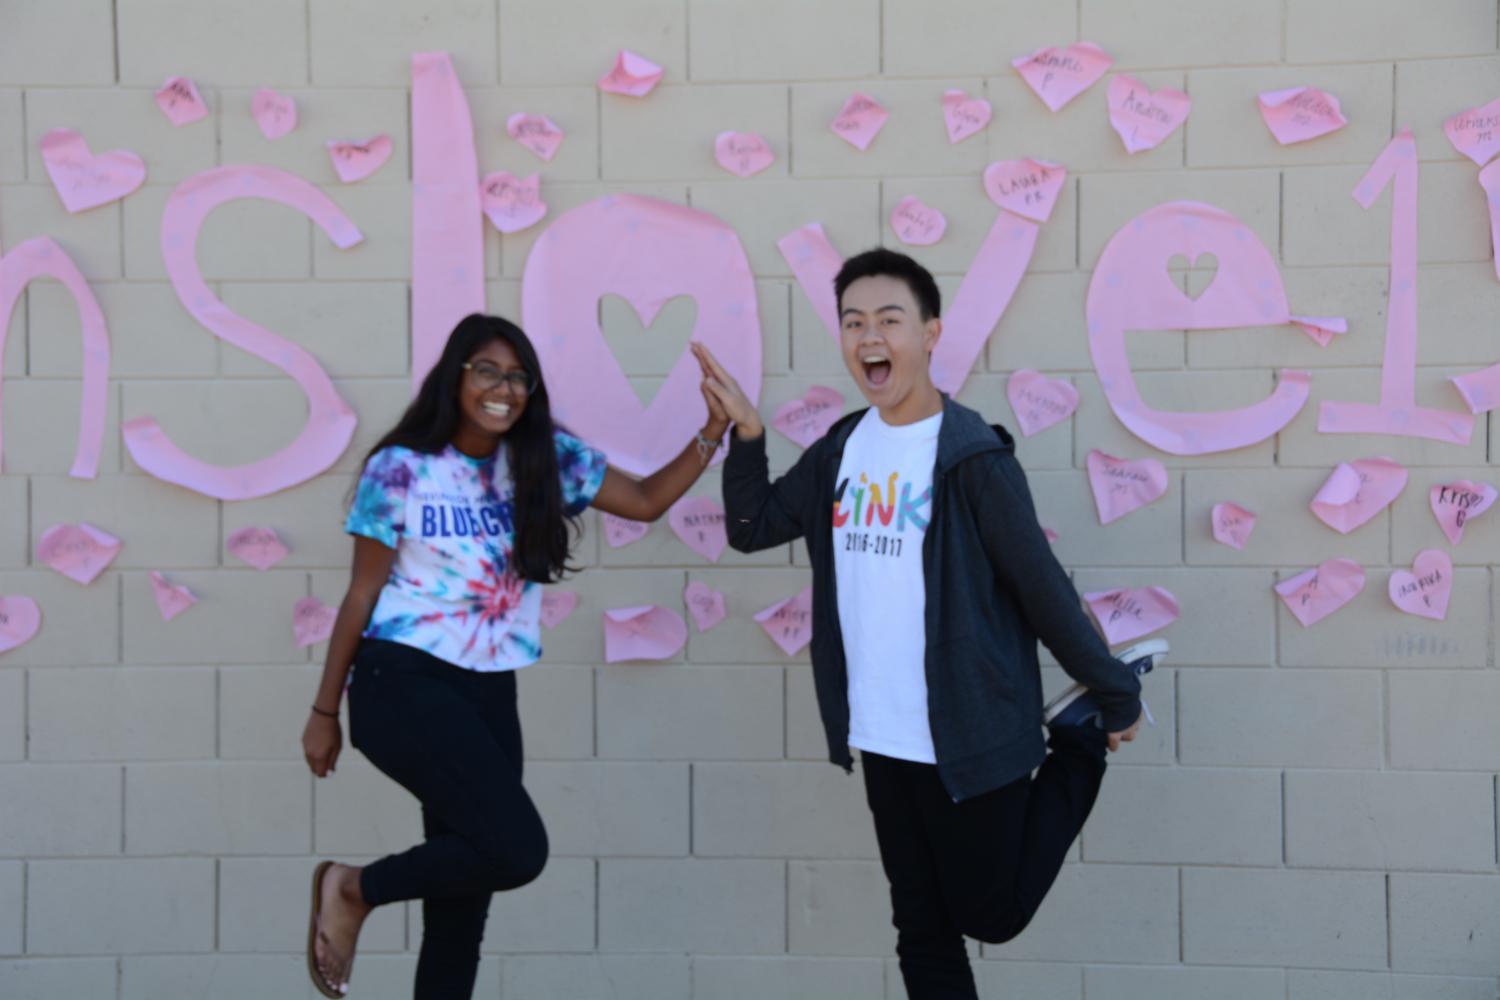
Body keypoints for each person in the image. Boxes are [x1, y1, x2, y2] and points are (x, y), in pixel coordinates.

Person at [692, 248, 1167, 1000]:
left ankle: (1075, 743)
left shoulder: (972, 459)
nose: (869, 336)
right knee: (921, 928)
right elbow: (750, 526)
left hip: (970, 728)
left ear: (931, 333)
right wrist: (745, 434)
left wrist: (1113, 695)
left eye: (890, 319)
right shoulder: (842, 448)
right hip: (882, 732)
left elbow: (1041, 590)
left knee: (994, 912)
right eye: (853, 322)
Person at [301, 313, 731, 999]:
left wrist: (713, 432)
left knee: (464, 904)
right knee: (516, 849)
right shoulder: (401, 468)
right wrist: (325, 710)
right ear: (455, 377)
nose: (504, 388)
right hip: (402, 680)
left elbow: (647, 501)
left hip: (490, 690)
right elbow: (360, 593)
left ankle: (360, 893)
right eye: (487, 371)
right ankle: (352, 889)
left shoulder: (542, 457)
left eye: (518, 377)